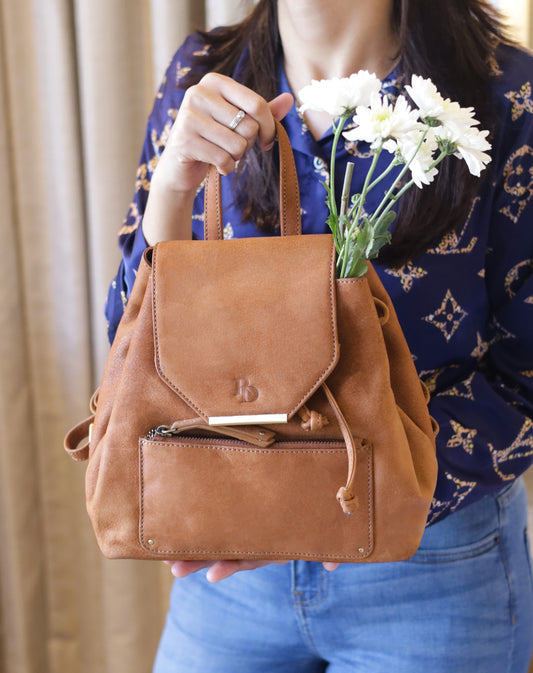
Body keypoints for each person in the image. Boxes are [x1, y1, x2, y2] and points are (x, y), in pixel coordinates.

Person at [105, 1, 533, 670]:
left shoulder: (503, 95)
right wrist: (170, 186)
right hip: (227, 560)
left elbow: (523, 375)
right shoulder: (202, 74)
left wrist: (347, 492)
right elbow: (128, 343)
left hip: (431, 566)